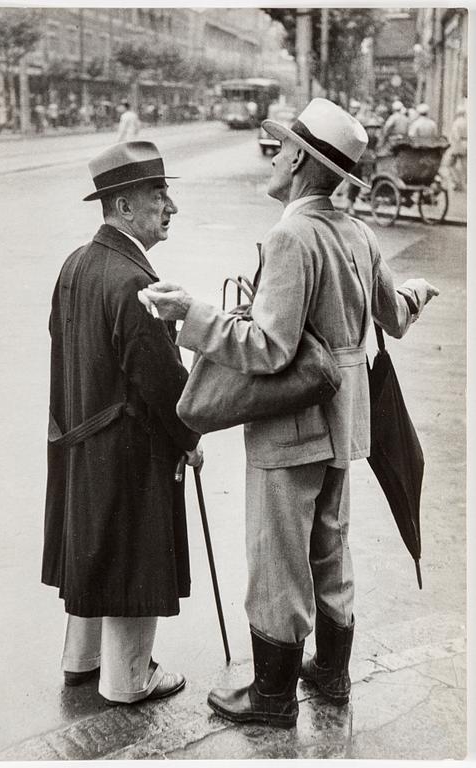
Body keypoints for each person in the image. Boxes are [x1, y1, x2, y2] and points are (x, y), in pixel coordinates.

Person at [140, 98, 439, 728]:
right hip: (346, 428)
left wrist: (190, 314)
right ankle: (331, 673)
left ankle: (272, 697)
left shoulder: (290, 235)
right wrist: (416, 291)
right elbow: (394, 318)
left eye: (279, 149)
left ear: (301, 160)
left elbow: (269, 348)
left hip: (291, 430)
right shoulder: (357, 233)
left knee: (278, 559)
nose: (272, 157)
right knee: (330, 548)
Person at [42, 140, 203, 705]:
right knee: (133, 551)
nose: (171, 207)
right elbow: (160, 382)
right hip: (129, 447)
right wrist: (190, 437)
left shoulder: (77, 263)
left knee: (91, 544)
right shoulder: (134, 279)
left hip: (79, 440)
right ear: (125, 206)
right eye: (160, 194)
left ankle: (81, 660)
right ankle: (128, 678)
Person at [446, 103, 467, 191]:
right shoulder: (467, 122)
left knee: (449, 164)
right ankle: (465, 181)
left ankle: (457, 181)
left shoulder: (456, 123)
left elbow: (455, 136)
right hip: (466, 143)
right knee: (465, 165)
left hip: (457, 145)